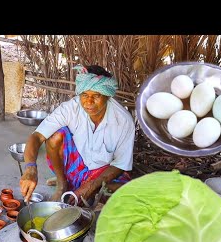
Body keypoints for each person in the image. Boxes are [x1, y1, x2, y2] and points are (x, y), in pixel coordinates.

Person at [19, 64, 135, 205]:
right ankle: (63, 185)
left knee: (124, 195)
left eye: (96, 96)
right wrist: (30, 168)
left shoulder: (123, 121)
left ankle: (82, 188)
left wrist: (90, 186)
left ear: (107, 95)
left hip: (104, 172)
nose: (89, 102)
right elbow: (37, 136)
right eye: (84, 95)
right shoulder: (70, 108)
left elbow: (120, 164)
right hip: (77, 165)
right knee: (55, 136)